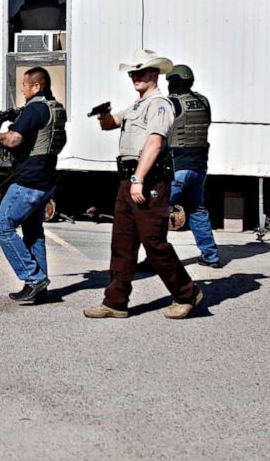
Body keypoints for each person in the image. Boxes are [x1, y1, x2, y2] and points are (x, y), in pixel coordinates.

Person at [84, 49, 202, 320]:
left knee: (153, 241)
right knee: (122, 242)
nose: (135, 77)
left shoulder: (159, 103)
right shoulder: (137, 105)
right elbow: (111, 124)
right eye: (132, 73)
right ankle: (115, 302)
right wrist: (104, 114)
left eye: (140, 72)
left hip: (148, 179)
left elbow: (155, 142)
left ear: (154, 74)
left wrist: (138, 179)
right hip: (129, 178)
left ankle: (187, 293)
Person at [0, 67, 67, 303]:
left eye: (24, 85)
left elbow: (13, 139)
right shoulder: (54, 107)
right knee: (33, 233)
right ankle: (39, 289)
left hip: (29, 180)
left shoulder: (34, 109)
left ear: (36, 86)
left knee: (3, 227)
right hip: (46, 178)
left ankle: (34, 278)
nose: (22, 89)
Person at [167, 64, 221, 267]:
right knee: (198, 211)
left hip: (177, 166)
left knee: (156, 214)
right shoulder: (203, 101)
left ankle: (154, 259)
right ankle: (211, 256)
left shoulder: (172, 103)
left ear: (175, 82)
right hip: (199, 166)